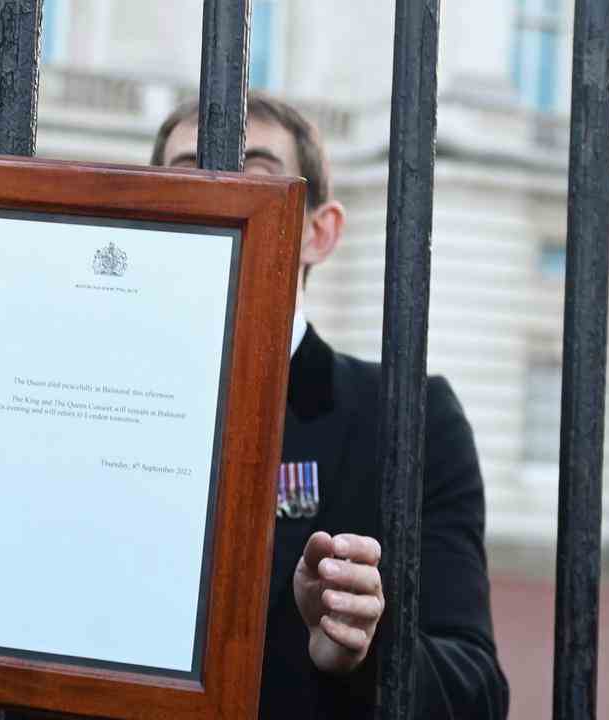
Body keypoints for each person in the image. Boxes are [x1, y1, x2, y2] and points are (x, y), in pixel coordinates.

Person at [150, 92, 510, 718]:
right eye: (187, 178)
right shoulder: (85, 402)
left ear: (320, 231)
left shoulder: (410, 420)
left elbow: (476, 692)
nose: (220, 198)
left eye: (257, 177)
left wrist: (366, 651)